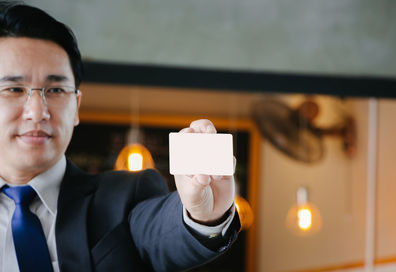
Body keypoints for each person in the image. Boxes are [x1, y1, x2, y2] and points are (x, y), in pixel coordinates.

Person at [0, 2, 240, 272]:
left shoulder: (122, 198)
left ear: (76, 107)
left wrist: (202, 215)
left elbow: (160, 232)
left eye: (55, 90)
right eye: (14, 88)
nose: (37, 111)